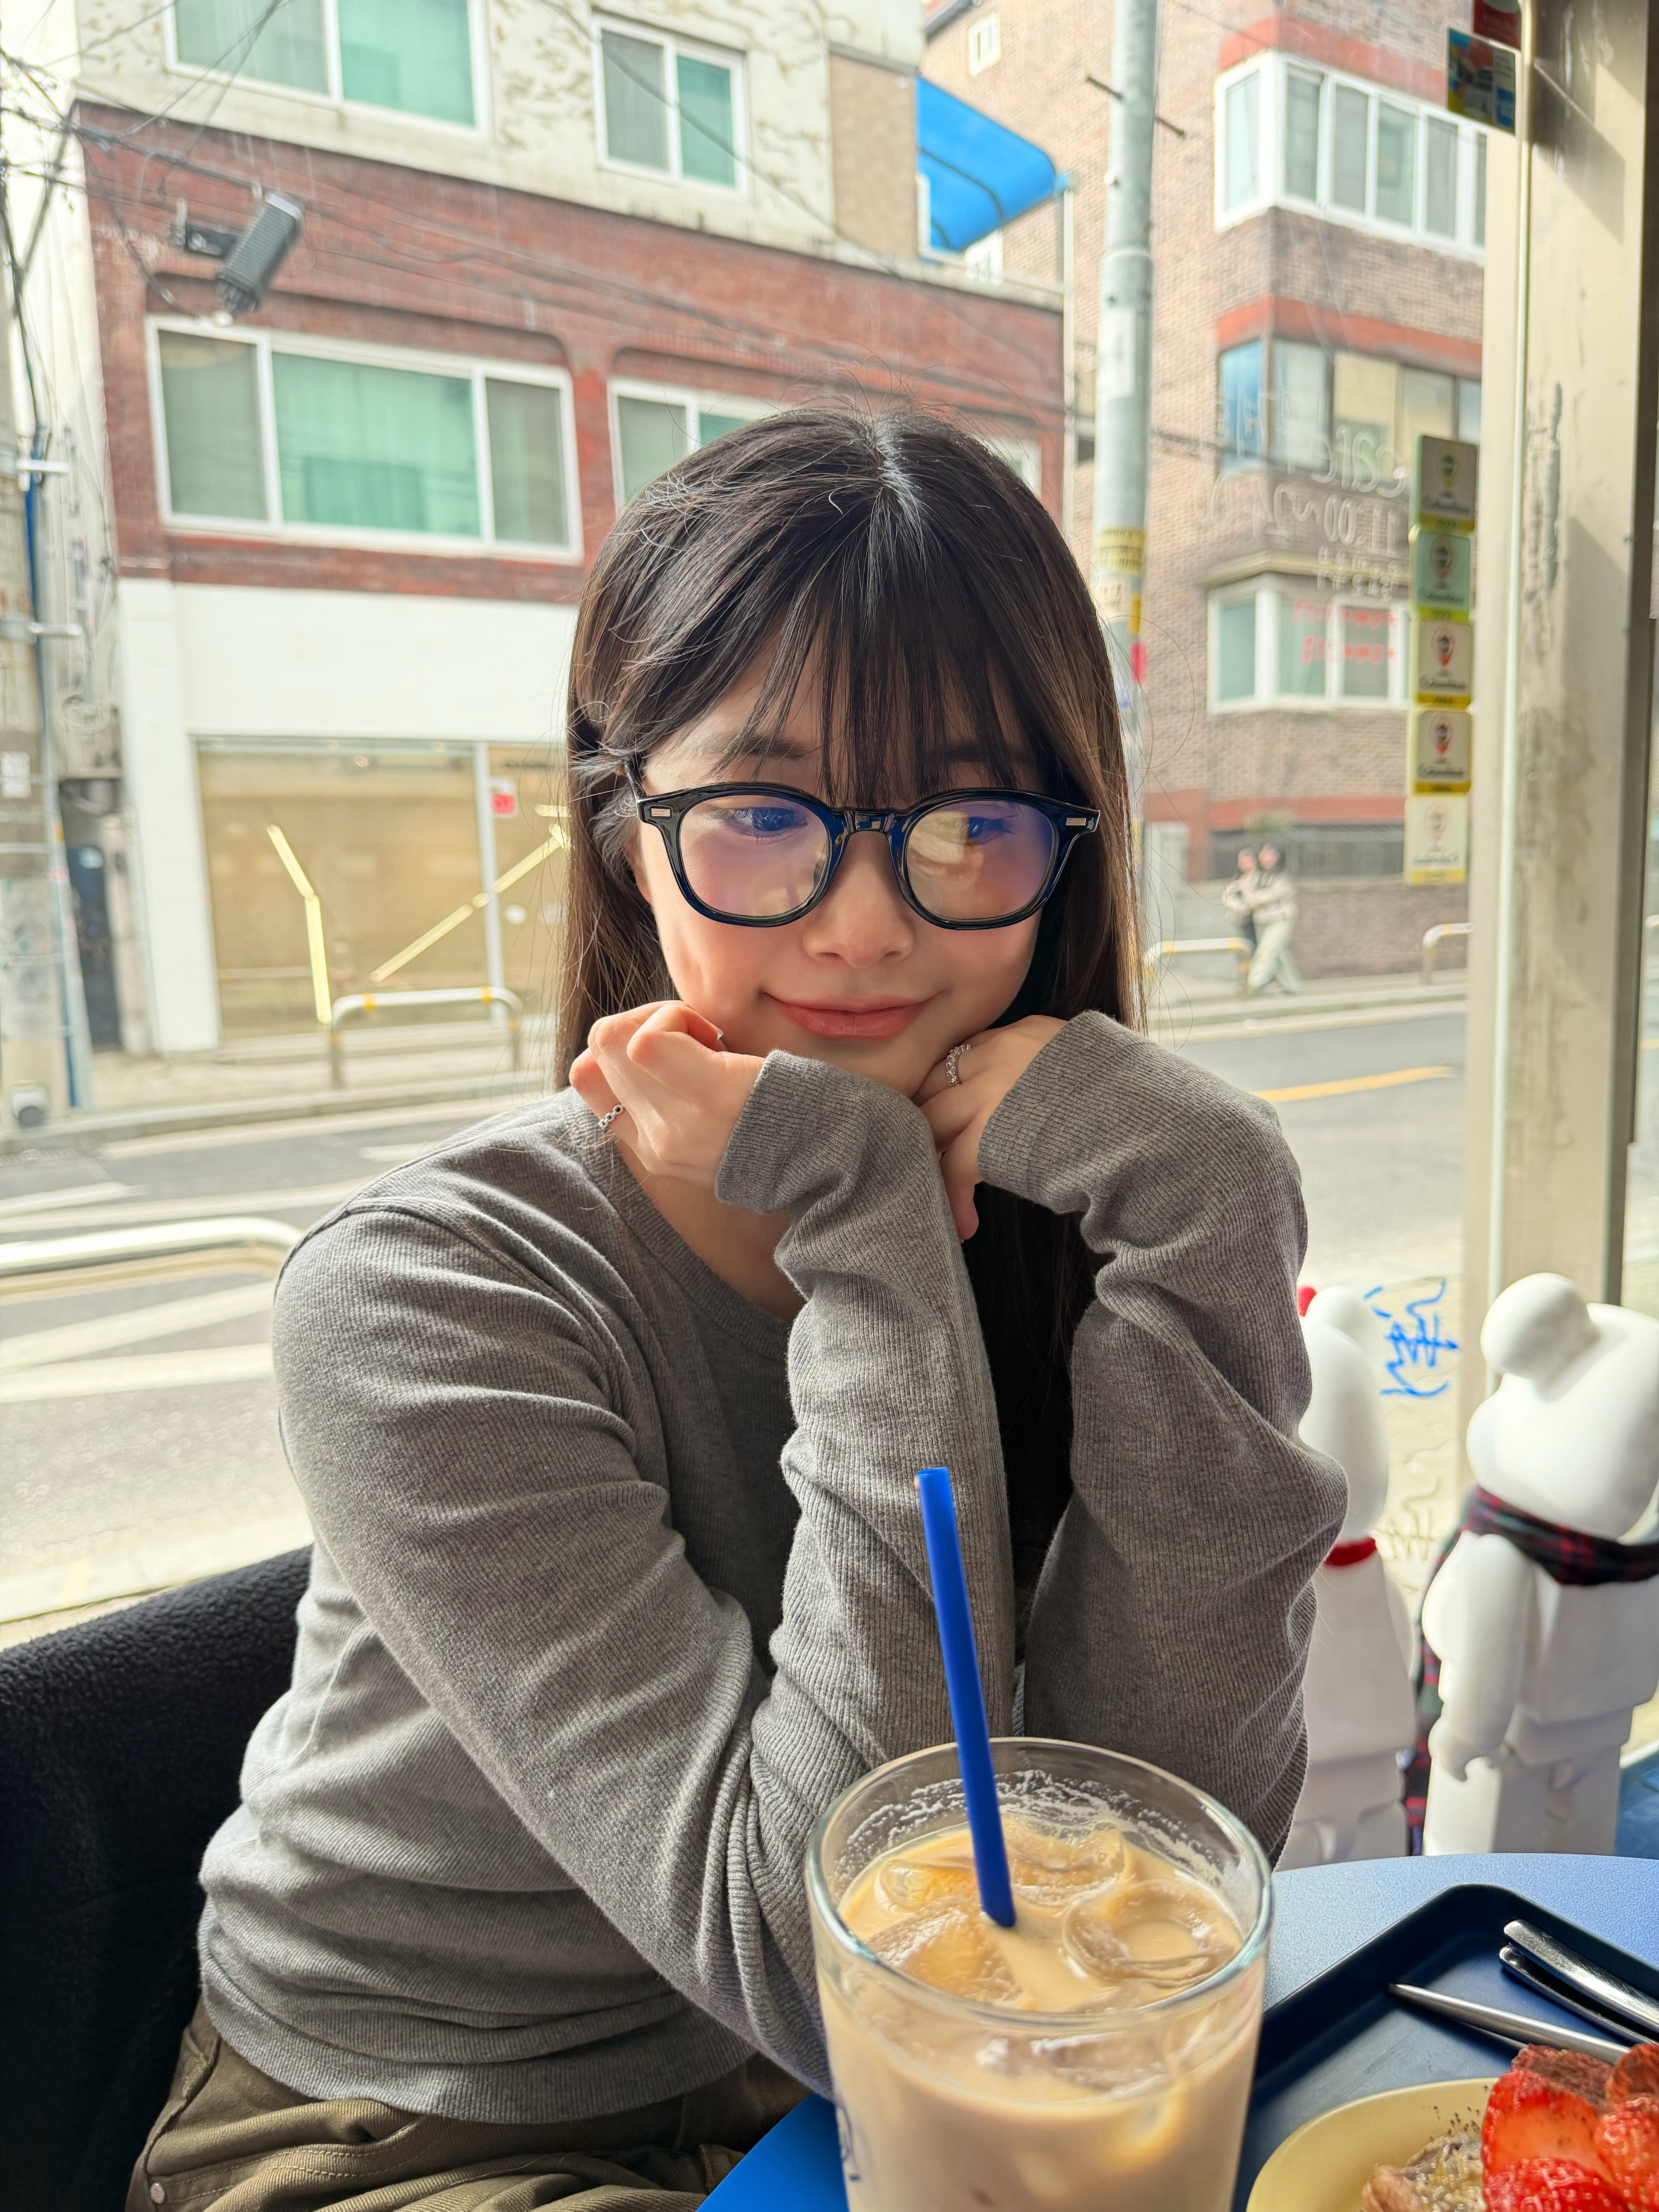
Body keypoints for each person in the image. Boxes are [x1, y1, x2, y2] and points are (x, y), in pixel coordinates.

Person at [128, 410, 1343, 2212]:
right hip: (419, 2128)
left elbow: (1155, 1832)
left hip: (838, 2101)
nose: (862, 928)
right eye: (763, 818)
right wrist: (860, 1212)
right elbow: (828, 1966)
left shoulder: (1067, 1209)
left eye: (967, 824)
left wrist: (1209, 1198)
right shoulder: (421, 1293)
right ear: (630, 833)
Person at [1240, 841, 1302, 996]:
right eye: (1264, 854)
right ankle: (1292, 986)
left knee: (1266, 952)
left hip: (1280, 919)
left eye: (1271, 855)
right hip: (1261, 920)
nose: (1266, 858)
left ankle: (1252, 984)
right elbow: (1246, 892)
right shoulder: (1258, 876)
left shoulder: (1284, 877)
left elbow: (1273, 895)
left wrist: (1254, 899)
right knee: (1278, 953)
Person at [1223, 845, 1260, 951]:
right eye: (1241, 860)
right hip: (1242, 920)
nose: (1243, 863)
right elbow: (1227, 896)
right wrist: (1240, 907)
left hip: (1258, 920)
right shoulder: (1238, 880)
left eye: (1246, 859)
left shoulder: (1260, 878)